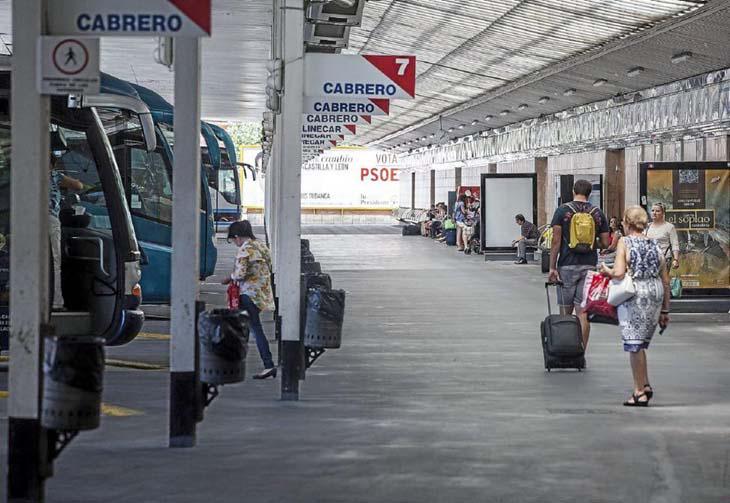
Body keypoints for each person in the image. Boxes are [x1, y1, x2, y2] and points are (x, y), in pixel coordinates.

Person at [600, 206, 670, 406]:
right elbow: (665, 279)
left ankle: (638, 391)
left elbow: (620, 272)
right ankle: (645, 384)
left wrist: (606, 270)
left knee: (634, 344)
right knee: (641, 343)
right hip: (655, 293)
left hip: (636, 295)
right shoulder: (654, 244)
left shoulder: (625, 241)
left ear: (627, 223)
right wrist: (665, 309)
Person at [548, 179, 610, 352]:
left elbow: (555, 240)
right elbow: (605, 242)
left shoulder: (563, 210)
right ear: (589, 193)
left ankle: (564, 350)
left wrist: (552, 267)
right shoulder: (597, 213)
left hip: (566, 265)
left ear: (573, 191)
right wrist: (590, 243)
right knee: (583, 313)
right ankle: (580, 352)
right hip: (589, 265)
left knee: (565, 312)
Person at [221, 220, 277, 379]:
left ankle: (268, 364)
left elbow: (240, 275)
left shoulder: (244, 250)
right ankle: (237, 361)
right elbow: (270, 265)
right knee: (244, 326)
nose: (234, 243)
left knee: (251, 328)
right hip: (261, 295)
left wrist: (229, 278)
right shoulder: (261, 246)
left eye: (233, 239)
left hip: (247, 294)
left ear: (237, 236)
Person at [49, 154, 83, 310]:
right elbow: (78, 186)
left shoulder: (25, 173)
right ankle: (55, 301)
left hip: (28, 220)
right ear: (52, 164)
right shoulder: (54, 175)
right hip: (49, 220)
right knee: (54, 262)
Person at [645, 202, 680, 273]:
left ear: (663, 213)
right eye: (652, 210)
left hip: (664, 259)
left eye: (657, 211)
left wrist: (676, 259)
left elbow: (675, 244)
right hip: (649, 260)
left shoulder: (669, 227)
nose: (654, 213)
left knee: (662, 282)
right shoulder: (647, 227)